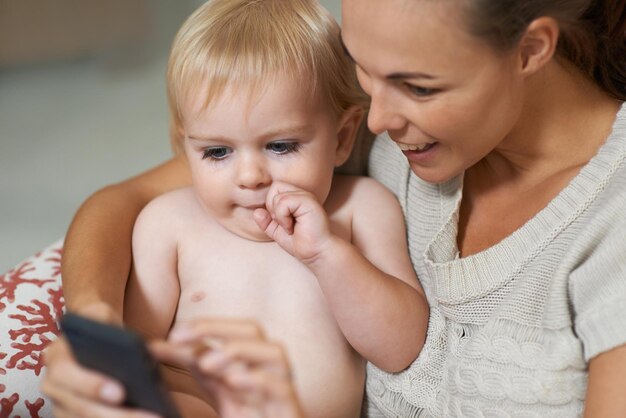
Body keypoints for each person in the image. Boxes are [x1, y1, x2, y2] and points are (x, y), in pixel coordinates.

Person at [42, 0, 626, 416]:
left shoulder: (608, 225)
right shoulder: (370, 113)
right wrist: (95, 326)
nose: (376, 122)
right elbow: (126, 202)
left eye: (418, 87)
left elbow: (402, 339)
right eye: (364, 74)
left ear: (530, 49)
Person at [43, 0, 429, 417]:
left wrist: (328, 256)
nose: (250, 176)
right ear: (183, 145)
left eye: (280, 145)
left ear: (342, 138)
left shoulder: (362, 209)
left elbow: (401, 348)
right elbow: (138, 358)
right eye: (217, 151)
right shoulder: (167, 225)